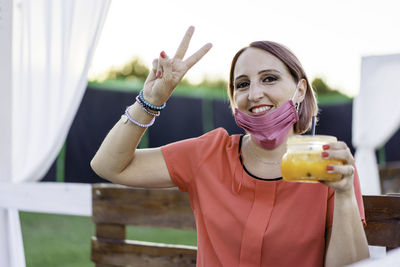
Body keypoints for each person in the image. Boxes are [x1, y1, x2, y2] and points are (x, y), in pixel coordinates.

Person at [91, 26, 370, 267]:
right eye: (242, 84)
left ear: (299, 90)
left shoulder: (330, 165)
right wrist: (150, 100)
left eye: (269, 78)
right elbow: (109, 166)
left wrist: (344, 195)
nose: (255, 93)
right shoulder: (209, 153)